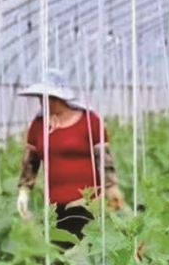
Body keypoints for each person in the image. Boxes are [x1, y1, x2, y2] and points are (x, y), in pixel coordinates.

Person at [16, 69, 124, 246]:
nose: (42, 102)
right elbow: (31, 161)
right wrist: (24, 190)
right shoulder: (38, 124)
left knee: (88, 247)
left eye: (47, 98)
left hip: (88, 202)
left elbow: (103, 158)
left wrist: (111, 186)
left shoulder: (90, 120)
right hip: (54, 202)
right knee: (60, 247)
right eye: (40, 97)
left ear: (59, 98)